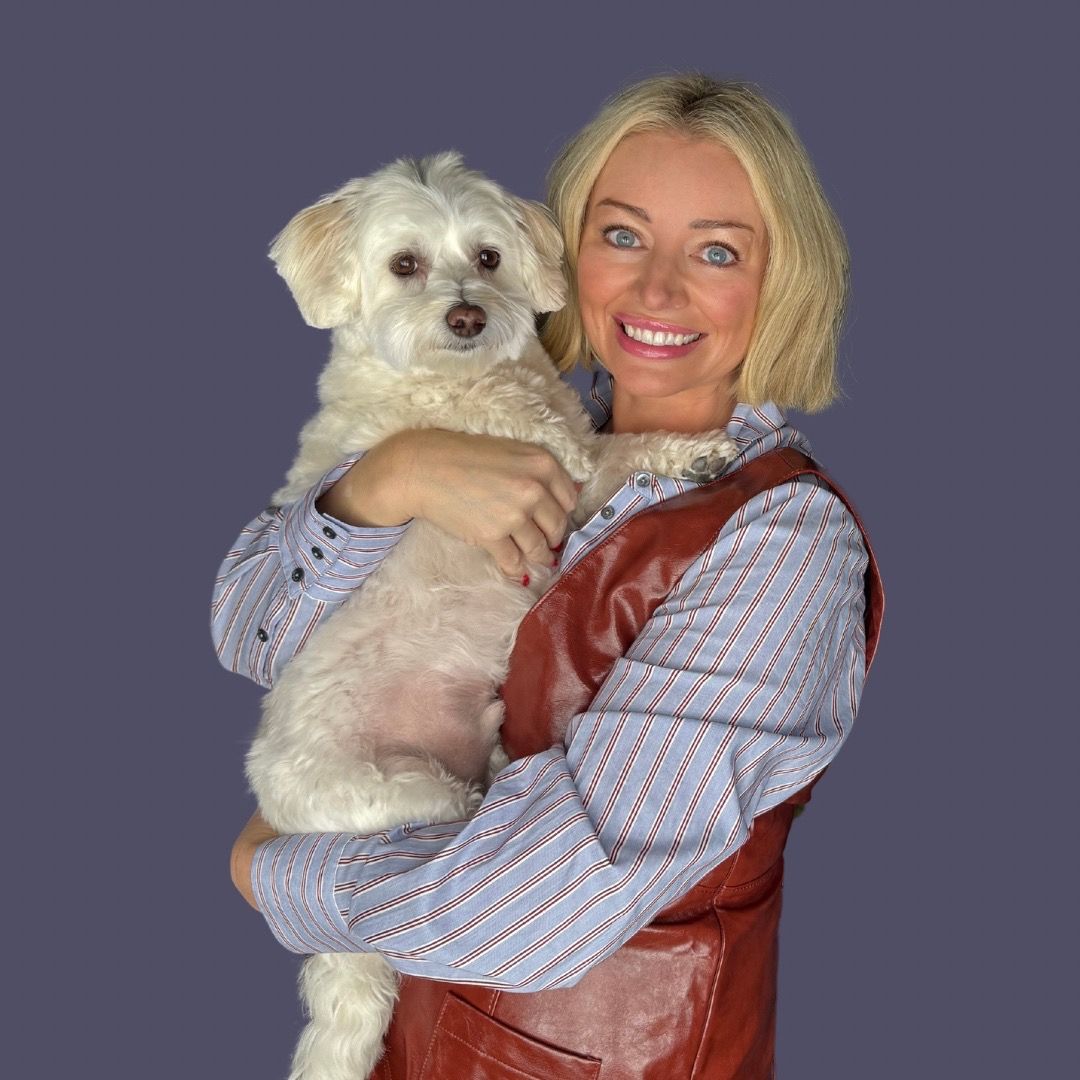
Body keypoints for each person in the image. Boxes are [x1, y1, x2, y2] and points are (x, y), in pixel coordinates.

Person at [215, 73, 883, 1077]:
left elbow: (538, 913)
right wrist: (383, 484)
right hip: (418, 1040)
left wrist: (270, 872)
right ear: (567, 254)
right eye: (622, 235)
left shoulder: (781, 543)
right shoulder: (522, 438)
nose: (657, 290)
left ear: (784, 280)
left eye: (716, 251)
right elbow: (250, 639)